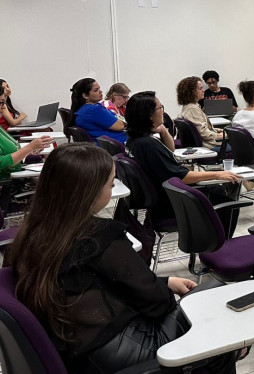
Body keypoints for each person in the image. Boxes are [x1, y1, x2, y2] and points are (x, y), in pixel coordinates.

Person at [6, 143, 237, 373]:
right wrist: (162, 290)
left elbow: (92, 282)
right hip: (129, 352)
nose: (112, 188)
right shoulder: (97, 237)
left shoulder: (32, 234)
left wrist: (166, 282)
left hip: (80, 351)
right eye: (110, 184)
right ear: (89, 192)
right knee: (214, 296)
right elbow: (158, 303)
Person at [125, 92, 241, 229]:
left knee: (216, 189)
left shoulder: (134, 141)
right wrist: (218, 174)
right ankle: (220, 241)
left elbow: (170, 150)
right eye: (160, 107)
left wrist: (163, 130)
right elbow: (183, 177)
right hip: (174, 203)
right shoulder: (150, 146)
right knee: (226, 201)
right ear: (149, 115)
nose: (163, 111)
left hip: (159, 201)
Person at [70, 78, 127, 143]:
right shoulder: (93, 110)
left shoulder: (84, 108)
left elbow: (117, 118)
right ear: (85, 95)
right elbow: (120, 126)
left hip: (104, 143)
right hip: (116, 143)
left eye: (99, 88)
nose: (100, 91)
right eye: (96, 90)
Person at [177, 76, 224, 150]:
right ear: (191, 92)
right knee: (237, 146)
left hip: (206, 144)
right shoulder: (192, 109)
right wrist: (223, 135)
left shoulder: (189, 106)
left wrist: (215, 130)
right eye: (200, 88)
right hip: (208, 146)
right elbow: (203, 133)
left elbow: (197, 129)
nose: (204, 90)